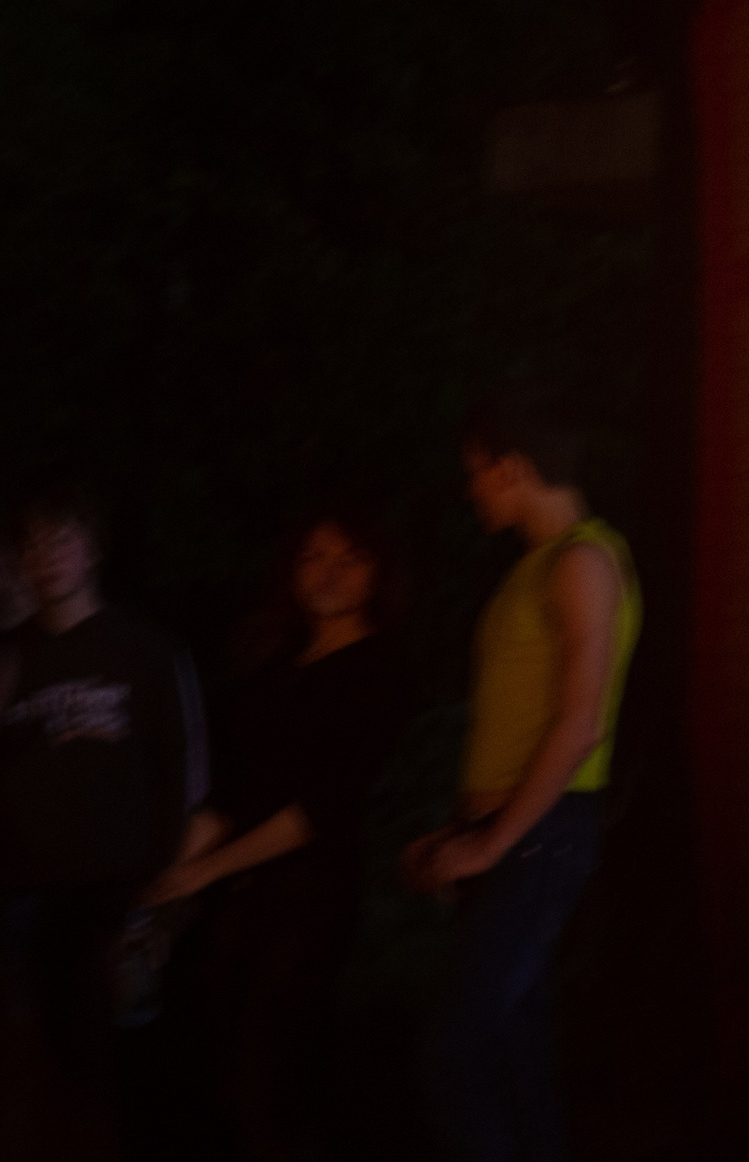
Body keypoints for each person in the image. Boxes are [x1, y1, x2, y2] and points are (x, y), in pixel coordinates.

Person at [403, 394, 641, 1162]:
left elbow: (580, 724)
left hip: (542, 834)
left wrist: (489, 844)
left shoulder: (582, 559)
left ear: (512, 468)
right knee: (511, 1047)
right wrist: (463, 834)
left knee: (456, 1050)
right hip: (519, 831)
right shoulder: (538, 567)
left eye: (476, 472)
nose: (471, 488)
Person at [144, 509, 412, 1161]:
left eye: (349, 558)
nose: (328, 572)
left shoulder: (376, 668)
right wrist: (164, 879)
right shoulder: (277, 667)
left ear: (376, 572)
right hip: (245, 893)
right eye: (313, 556)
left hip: (309, 896)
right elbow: (233, 793)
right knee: (214, 1064)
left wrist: (205, 871)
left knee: (266, 1075)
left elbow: (315, 810)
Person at [0, 484, 208, 1159]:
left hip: (115, 892)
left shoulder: (146, 648)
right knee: (31, 1070)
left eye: (61, 540)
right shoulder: (12, 656)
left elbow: (187, 773)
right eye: (32, 545)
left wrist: (167, 901)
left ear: (91, 549)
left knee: (114, 1077)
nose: (46, 557)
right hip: (24, 893)